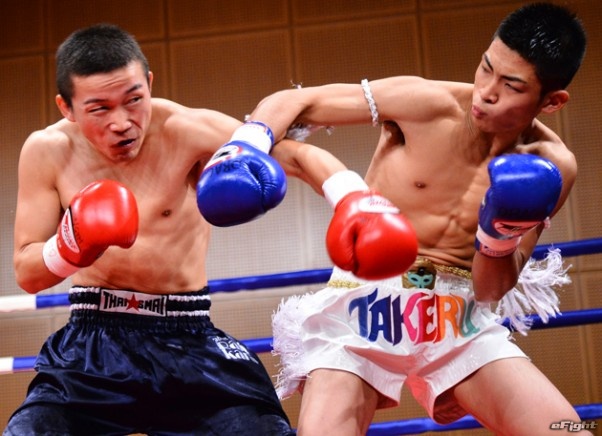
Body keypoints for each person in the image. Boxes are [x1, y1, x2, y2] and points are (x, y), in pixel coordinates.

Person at [4, 22, 398, 435]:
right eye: (99, 109)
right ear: (66, 107)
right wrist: (71, 244)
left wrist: (353, 200)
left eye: (134, 99)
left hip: (187, 338)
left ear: (149, 84)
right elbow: (28, 273)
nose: (121, 122)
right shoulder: (47, 152)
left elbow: (297, 158)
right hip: (92, 346)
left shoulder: (187, 131)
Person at [233, 3, 589, 435]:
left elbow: (491, 289)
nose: (486, 91)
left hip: (459, 318)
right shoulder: (427, 103)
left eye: (511, 85)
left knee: (566, 430)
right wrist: (243, 147)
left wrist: (498, 234)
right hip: (363, 304)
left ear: (552, 102)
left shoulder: (553, 166)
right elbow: (297, 101)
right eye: (486, 68)